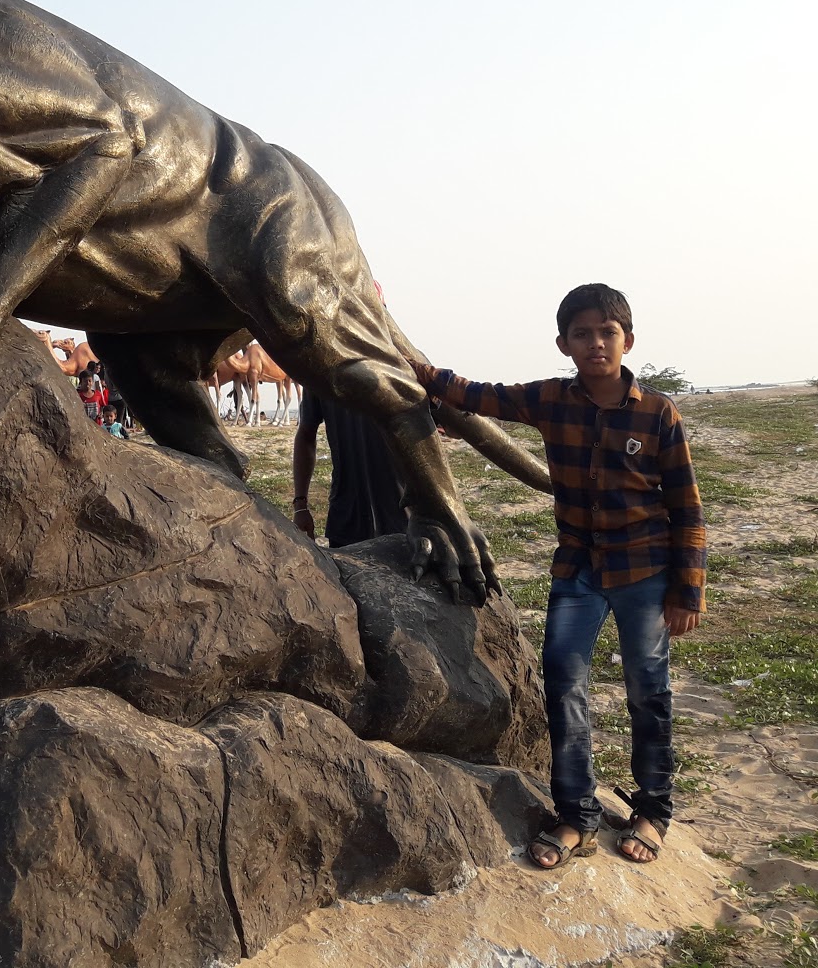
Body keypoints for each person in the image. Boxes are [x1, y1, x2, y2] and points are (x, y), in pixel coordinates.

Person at [415, 284, 705, 870]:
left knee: (647, 691)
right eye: (582, 334)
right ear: (563, 344)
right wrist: (419, 370)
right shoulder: (550, 400)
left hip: (646, 570)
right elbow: (480, 395)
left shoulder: (658, 414)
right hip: (578, 568)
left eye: (607, 333)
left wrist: (687, 591)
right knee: (564, 682)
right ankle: (576, 815)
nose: (596, 343)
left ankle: (653, 811)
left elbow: (687, 508)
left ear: (627, 341)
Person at [290, 390, 412, 546]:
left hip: (406, 515)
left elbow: (436, 425)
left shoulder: (413, 373)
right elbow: (306, 434)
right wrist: (300, 506)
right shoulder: (320, 376)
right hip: (347, 517)